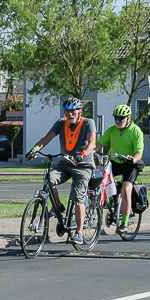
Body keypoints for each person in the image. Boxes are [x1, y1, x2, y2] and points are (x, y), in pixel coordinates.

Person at [26, 97, 97, 245]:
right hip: (65, 164)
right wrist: (34, 150)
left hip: (83, 166)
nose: (70, 114)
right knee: (49, 180)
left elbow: (92, 144)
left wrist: (81, 155)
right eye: (67, 111)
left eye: (73, 111)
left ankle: (79, 232)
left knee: (77, 198)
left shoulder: (88, 123)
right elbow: (46, 139)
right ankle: (58, 206)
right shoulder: (60, 123)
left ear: (79, 111)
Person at [97, 103, 144, 233]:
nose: (118, 121)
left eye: (121, 118)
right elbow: (99, 144)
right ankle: (106, 208)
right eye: (116, 118)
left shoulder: (136, 131)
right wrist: (89, 152)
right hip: (115, 162)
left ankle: (124, 223)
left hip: (130, 164)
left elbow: (139, 153)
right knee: (99, 179)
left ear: (128, 118)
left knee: (126, 188)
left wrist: (132, 159)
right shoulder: (112, 130)